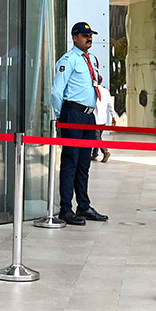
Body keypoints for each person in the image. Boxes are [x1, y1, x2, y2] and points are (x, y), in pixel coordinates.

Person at [50, 21, 108, 225]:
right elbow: (57, 91)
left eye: (90, 35)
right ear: (75, 38)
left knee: (84, 163)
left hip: (88, 115)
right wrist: (60, 116)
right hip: (72, 113)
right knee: (70, 161)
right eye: (84, 36)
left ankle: (83, 206)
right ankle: (65, 208)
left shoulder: (91, 59)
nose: (88, 38)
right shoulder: (69, 60)